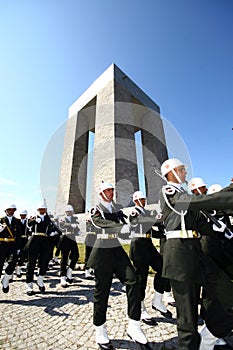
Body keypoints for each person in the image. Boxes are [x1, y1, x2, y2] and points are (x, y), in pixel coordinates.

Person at [159, 158, 233, 350]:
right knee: (188, 320)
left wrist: (229, 189)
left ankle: (207, 339)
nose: (185, 173)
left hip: (197, 254)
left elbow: (204, 215)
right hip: (179, 257)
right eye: (182, 170)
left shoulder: (185, 195)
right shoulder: (170, 192)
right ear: (172, 172)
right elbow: (192, 202)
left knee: (227, 296)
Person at [87, 181, 152, 350]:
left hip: (116, 249)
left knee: (133, 281)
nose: (111, 193)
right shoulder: (97, 209)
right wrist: (120, 227)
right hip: (102, 251)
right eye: (107, 191)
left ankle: (134, 325)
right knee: (102, 292)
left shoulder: (116, 209)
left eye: (111, 190)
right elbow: (98, 223)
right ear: (101, 194)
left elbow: (130, 221)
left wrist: (135, 219)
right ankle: (100, 330)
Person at [188, 178, 233, 350]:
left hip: (220, 258)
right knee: (214, 299)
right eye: (202, 188)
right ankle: (207, 337)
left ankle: (213, 335)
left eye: (205, 188)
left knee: (215, 299)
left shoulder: (214, 208)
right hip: (207, 260)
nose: (205, 191)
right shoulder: (197, 208)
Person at [128, 190, 172, 326]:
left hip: (148, 244)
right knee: (141, 278)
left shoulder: (147, 213)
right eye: (141, 200)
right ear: (135, 201)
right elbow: (139, 222)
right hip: (138, 246)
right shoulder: (134, 212)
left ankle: (157, 301)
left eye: (144, 199)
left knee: (163, 268)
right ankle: (141, 308)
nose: (143, 201)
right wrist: (155, 218)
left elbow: (156, 228)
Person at [25, 203, 58, 295]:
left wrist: (53, 231)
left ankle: (40, 280)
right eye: (40, 209)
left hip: (45, 240)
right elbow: (29, 224)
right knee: (31, 263)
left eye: (44, 209)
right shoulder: (34, 217)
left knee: (44, 261)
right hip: (34, 240)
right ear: (38, 209)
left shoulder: (49, 218)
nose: (42, 210)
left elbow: (54, 226)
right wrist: (35, 221)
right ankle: (29, 284)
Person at [0, 204, 22, 293]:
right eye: (9, 210)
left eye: (13, 210)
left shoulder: (17, 221)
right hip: (1, 244)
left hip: (12, 244)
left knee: (13, 262)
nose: (11, 211)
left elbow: (19, 236)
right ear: (6, 211)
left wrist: (19, 247)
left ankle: (6, 278)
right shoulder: (1, 220)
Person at [58, 205, 80, 288]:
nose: (70, 213)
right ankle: (62, 277)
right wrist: (71, 225)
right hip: (65, 238)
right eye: (68, 211)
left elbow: (76, 228)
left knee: (76, 255)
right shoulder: (62, 219)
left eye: (71, 211)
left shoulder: (74, 219)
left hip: (72, 238)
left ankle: (69, 271)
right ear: (66, 212)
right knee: (64, 257)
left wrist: (78, 231)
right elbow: (62, 226)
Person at [15, 209, 29, 278]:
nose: (22, 216)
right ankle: (17, 269)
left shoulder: (28, 221)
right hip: (19, 239)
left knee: (25, 254)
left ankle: (21, 268)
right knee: (17, 254)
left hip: (26, 239)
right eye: (21, 215)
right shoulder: (17, 221)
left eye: (24, 215)